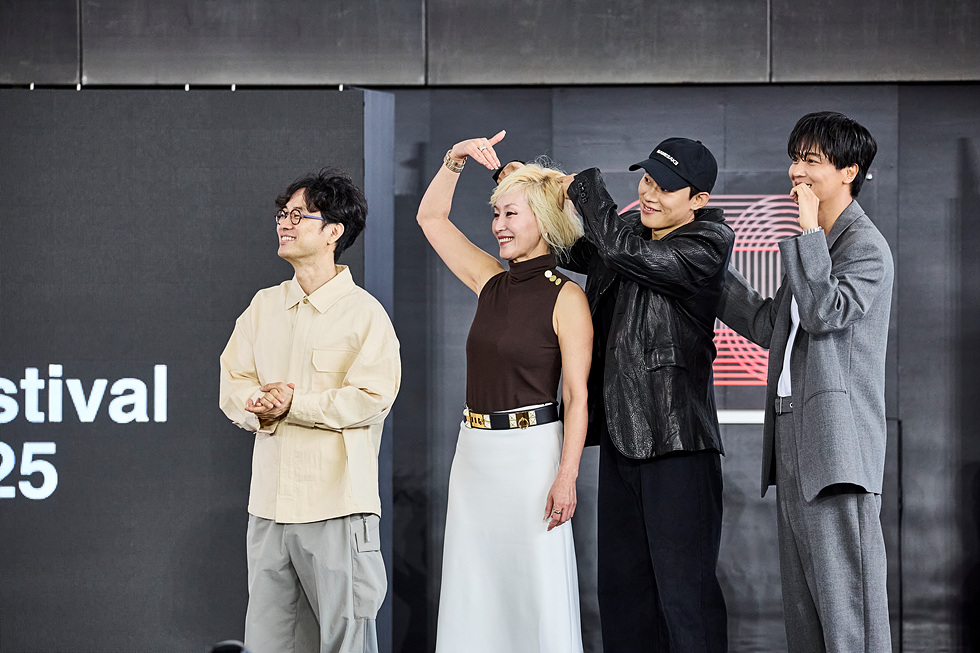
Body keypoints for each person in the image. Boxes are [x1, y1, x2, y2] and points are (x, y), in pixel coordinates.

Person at [717, 111, 893, 652]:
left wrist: (810, 232)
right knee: (805, 612)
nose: (796, 171)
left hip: (838, 445)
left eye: (811, 160)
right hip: (792, 432)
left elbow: (823, 312)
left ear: (849, 171)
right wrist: (708, 271)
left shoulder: (864, 247)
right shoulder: (816, 244)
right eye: (795, 158)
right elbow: (770, 325)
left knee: (848, 612)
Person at [416, 131, 592, 653]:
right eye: (496, 214)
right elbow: (431, 219)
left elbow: (577, 397)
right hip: (474, 453)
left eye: (511, 214)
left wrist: (567, 475)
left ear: (544, 219)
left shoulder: (568, 297)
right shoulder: (489, 280)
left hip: (533, 457)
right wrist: (454, 160)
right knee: (474, 587)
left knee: (533, 587)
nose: (498, 226)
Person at [560, 138, 734, 652]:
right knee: (623, 600)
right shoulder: (629, 231)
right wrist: (520, 183)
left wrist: (586, 188)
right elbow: (565, 243)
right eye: (647, 180)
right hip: (622, 439)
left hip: (678, 449)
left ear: (698, 200)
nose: (648, 194)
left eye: (665, 188)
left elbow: (623, 252)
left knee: (686, 602)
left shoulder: (708, 243)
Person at [218, 168, 401, 653]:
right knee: (268, 643)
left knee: (346, 643)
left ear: (333, 232)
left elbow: (373, 397)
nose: (285, 223)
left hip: (336, 507)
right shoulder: (263, 306)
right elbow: (233, 380)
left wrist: (294, 405)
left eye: (300, 215)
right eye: (283, 213)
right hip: (269, 508)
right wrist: (257, 406)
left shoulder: (365, 314)